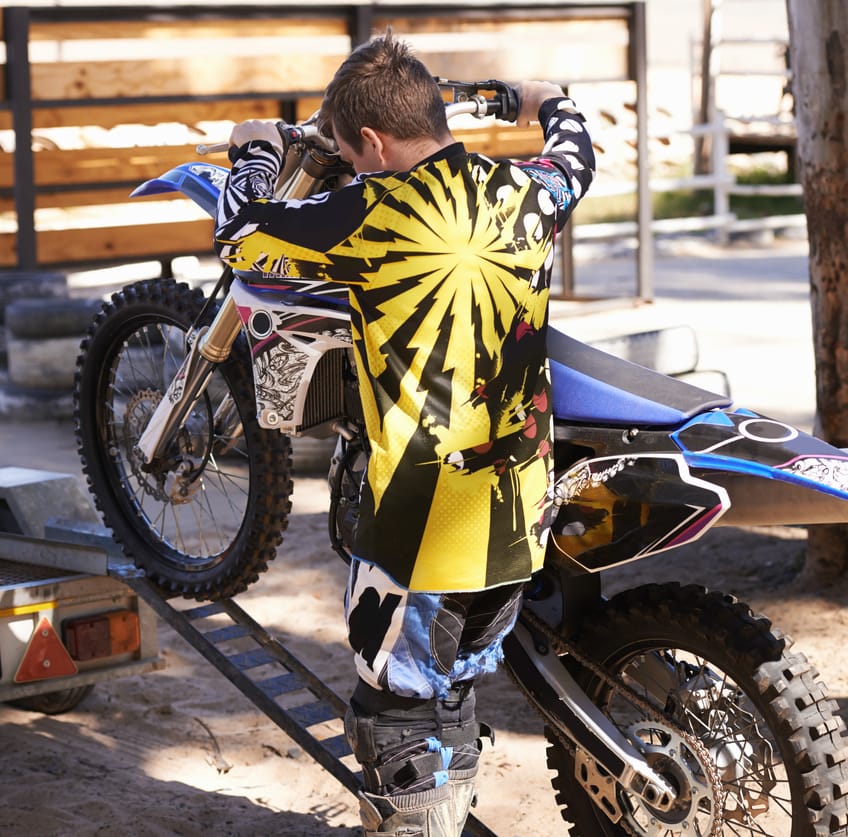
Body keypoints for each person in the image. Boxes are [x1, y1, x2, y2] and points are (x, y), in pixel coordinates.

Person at [214, 32, 594, 837]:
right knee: (449, 687)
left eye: (354, 154)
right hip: (518, 514)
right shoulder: (529, 191)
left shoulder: (368, 211)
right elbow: (575, 146)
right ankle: (446, 814)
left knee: (392, 714)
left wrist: (250, 153)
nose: (353, 165)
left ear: (374, 144)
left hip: (419, 531)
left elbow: (241, 235)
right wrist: (536, 100)